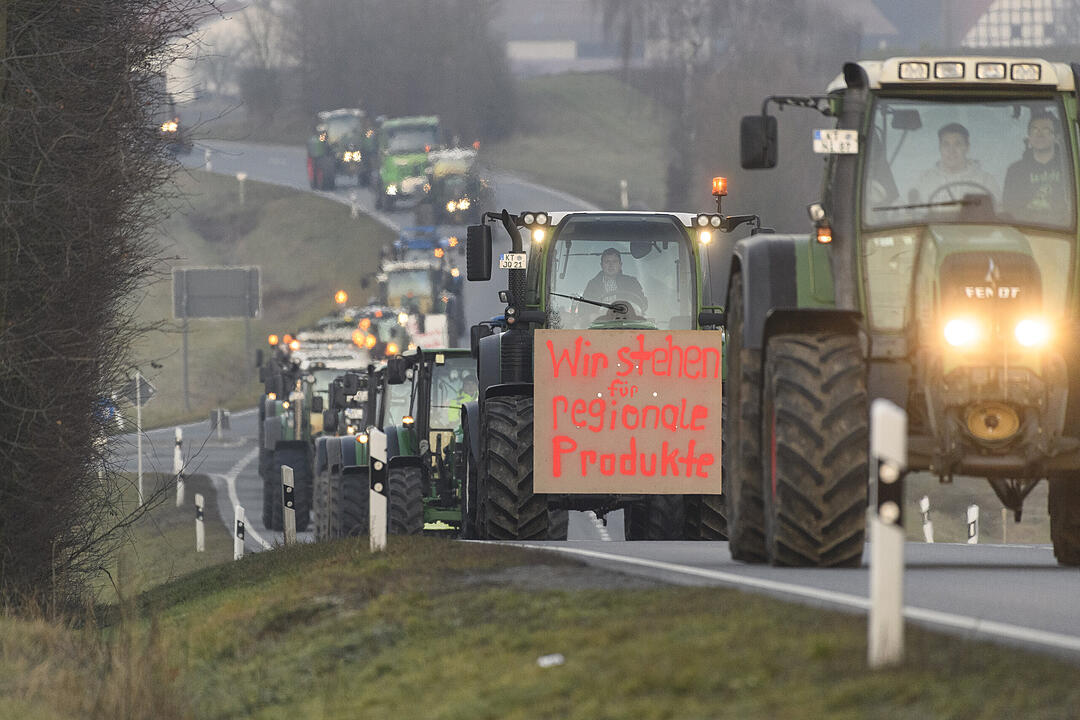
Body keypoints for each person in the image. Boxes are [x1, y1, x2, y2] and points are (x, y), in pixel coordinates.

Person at [1003, 111, 1070, 223]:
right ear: (1029, 137)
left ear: (1056, 136)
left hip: (1063, 230)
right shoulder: (1015, 171)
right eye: (1034, 130)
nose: (1039, 134)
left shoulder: (1069, 167)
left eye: (1046, 130)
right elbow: (1010, 209)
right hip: (1029, 230)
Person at [909, 123, 1000, 205]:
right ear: (940, 148)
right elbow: (907, 211)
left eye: (958, 144)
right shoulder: (924, 180)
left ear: (967, 148)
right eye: (946, 144)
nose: (951, 150)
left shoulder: (986, 181)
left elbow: (998, 213)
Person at [581, 248, 648, 313]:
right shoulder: (592, 285)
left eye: (615, 261)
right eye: (607, 262)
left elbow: (642, 304)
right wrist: (593, 315)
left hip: (627, 322)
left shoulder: (632, 283)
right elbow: (584, 308)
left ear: (620, 265)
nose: (611, 265)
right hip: (600, 322)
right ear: (601, 265)